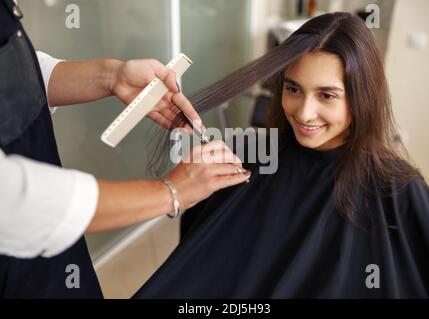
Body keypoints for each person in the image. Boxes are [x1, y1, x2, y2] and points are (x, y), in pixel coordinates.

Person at [134, 12, 429, 298]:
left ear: (361, 98)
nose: (304, 113)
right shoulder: (247, 157)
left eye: (327, 95)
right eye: (293, 88)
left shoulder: (399, 190)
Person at [0, 0, 249, 298]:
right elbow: (14, 200)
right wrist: (171, 191)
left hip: (54, 255)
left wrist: (112, 76)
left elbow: (13, 70)